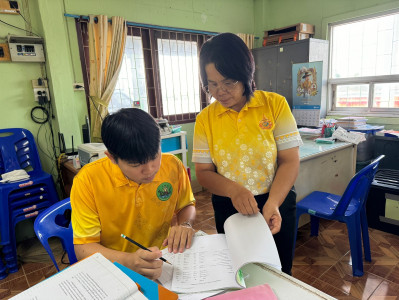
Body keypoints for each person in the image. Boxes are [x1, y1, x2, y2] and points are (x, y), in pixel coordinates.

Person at [192, 33, 303, 275]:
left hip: (275, 202)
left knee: (279, 272)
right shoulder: (205, 119)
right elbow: (203, 173)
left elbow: (289, 161)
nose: (220, 92)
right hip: (229, 204)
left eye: (229, 82)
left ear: (246, 75)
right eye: (212, 84)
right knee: (239, 274)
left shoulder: (274, 105)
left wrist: (273, 203)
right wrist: (234, 190)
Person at [71, 108, 196, 280]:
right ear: (112, 157)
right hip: (117, 266)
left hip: (166, 259)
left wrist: (185, 225)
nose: (150, 170)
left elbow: (187, 205)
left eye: (155, 156)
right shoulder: (88, 181)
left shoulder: (173, 166)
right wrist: (129, 261)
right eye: (136, 165)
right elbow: (84, 248)